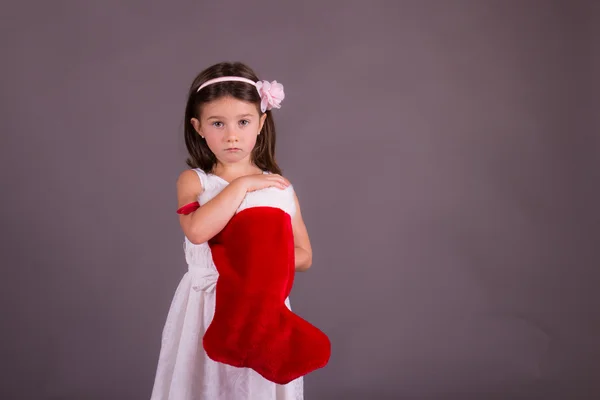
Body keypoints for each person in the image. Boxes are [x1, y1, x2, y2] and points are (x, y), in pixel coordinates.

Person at [150, 61, 311, 400]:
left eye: (243, 122)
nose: (232, 134)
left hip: (261, 304)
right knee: (204, 384)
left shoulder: (279, 188)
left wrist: (260, 265)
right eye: (218, 123)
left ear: (261, 123)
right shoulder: (195, 181)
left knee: (256, 386)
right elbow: (197, 231)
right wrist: (241, 187)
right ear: (198, 127)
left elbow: (304, 255)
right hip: (206, 306)